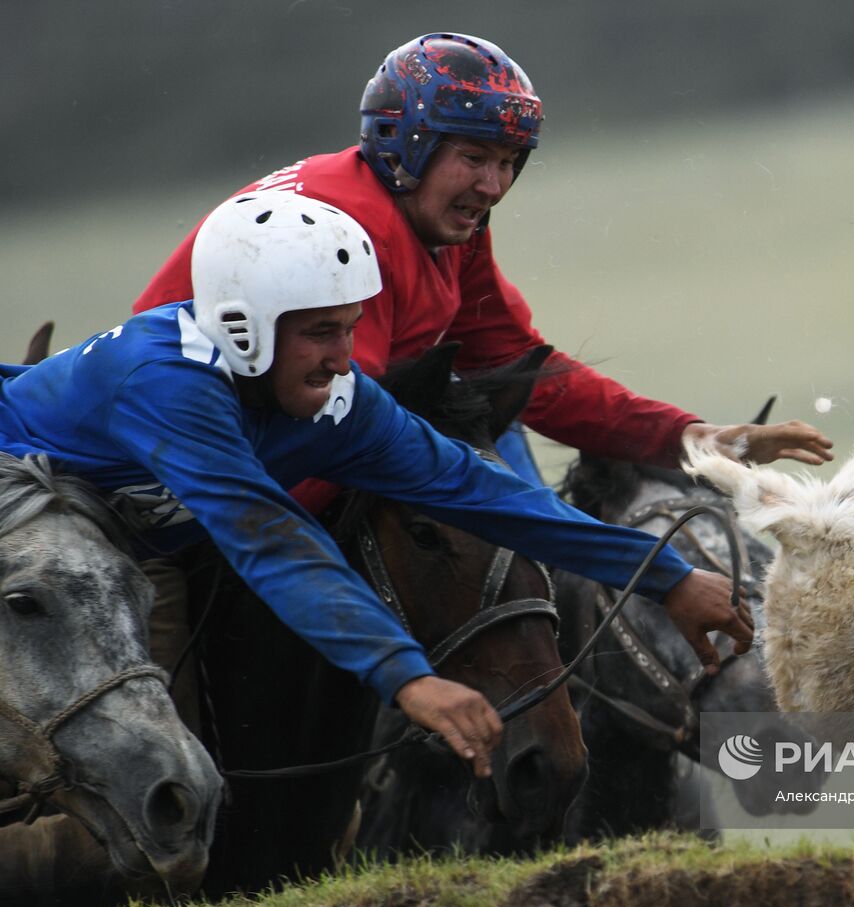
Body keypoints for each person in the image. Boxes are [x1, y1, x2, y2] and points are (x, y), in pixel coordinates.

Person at [0, 188, 752, 776]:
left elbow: (475, 489)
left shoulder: (337, 401)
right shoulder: (165, 383)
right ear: (241, 327)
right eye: (321, 332)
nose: (343, 356)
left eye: (350, 327)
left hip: (131, 547)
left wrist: (665, 576)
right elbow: (274, 541)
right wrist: (409, 681)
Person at [134, 32, 835, 501]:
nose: (494, 187)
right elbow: (337, 435)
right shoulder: (351, 234)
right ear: (403, 146)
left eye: (507, 163)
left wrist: (693, 437)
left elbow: (523, 373)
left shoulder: (443, 223)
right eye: (473, 158)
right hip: (169, 471)